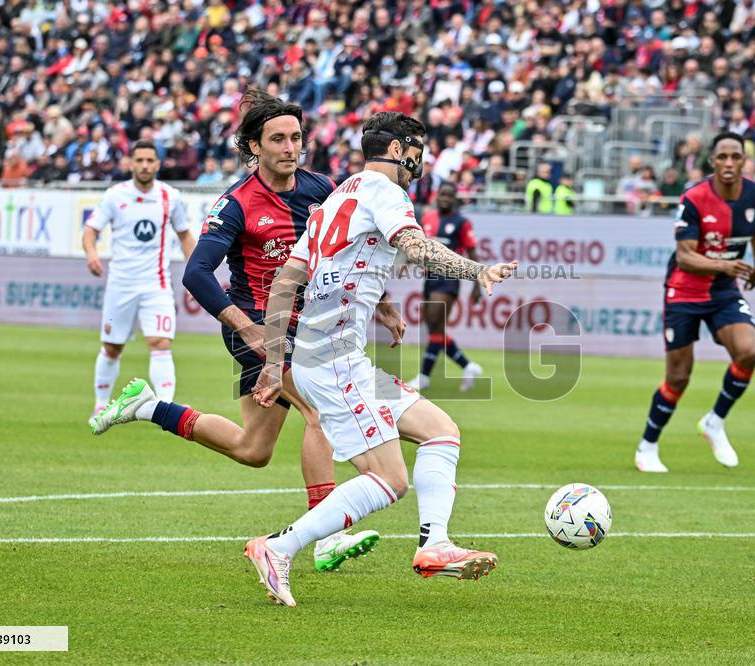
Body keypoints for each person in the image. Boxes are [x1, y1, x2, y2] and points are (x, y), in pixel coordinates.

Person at [90, 89, 392, 573]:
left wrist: (386, 305)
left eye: (296, 137)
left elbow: (348, 250)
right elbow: (196, 274)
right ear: (254, 146)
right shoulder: (236, 204)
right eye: (278, 139)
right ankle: (327, 534)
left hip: (307, 329)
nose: (290, 147)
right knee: (321, 413)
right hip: (259, 327)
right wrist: (247, 329)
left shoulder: (322, 189)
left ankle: (151, 407)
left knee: (253, 450)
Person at [245, 111, 518, 607]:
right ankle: (277, 548)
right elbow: (414, 246)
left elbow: (287, 282)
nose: (422, 159)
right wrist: (475, 269)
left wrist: (272, 364)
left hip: (330, 354)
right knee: (390, 479)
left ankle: (434, 546)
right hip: (332, 358)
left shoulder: (336, 197)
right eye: (417, 148)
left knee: (440, 430)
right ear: (397, 150)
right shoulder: (387, 194)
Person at [635, 132, 755, 473]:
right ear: (712, 161)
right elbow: (685, 257)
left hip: (723, 291)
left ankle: (714, 422)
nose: (728, 163)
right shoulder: (694, 198)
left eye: (735, 157)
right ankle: (647, 446)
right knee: (679, 377)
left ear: (743, 161)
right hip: (685, 291)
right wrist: (725, 265)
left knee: (749, 351)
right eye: (722, 157)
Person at [83, 140, 195, 420]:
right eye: (140, 160)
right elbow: (90, 230)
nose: (145, 165)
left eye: (150, 160)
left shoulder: (171, 196)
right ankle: (100, 404)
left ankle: (166, 406)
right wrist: (91, 254)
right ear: (131, 163)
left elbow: (184, 235)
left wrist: (197, 271)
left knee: (160, 342)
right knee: (112, 346)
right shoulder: (114, 195)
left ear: (157, 164)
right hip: (120, 286)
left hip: (155, 284)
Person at [408, 182, 483, 392]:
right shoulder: (428, 218)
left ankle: (424, 376)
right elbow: (421, 245)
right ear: (437, 196)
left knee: (435, 323)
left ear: (455, 199)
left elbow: (472, 254)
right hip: (430, 277)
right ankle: (468, 366)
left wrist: (477, 285)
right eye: (443, 194)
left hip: (449, 278)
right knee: (434, 328)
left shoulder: (462, 223)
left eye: (450, 195)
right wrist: (407, 262)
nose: (445, 199)